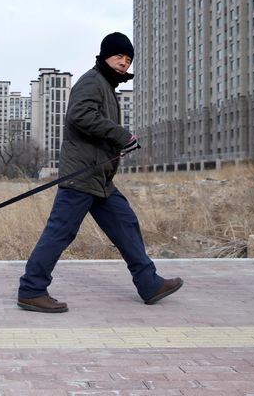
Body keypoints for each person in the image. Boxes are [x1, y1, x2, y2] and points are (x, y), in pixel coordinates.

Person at [17, 32, 183, 313]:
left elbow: (95, 124)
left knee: (126, 224)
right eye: (119, 56)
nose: (123, 63)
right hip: (81, 176)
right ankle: (31, 289)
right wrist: (120, 135)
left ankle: (149, 283)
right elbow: (79, 116)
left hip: (100, 180)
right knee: (60, 232)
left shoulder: (105, 85)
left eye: (128, 60)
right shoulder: (92, 81)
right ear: (105, 56)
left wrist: (119, 142)